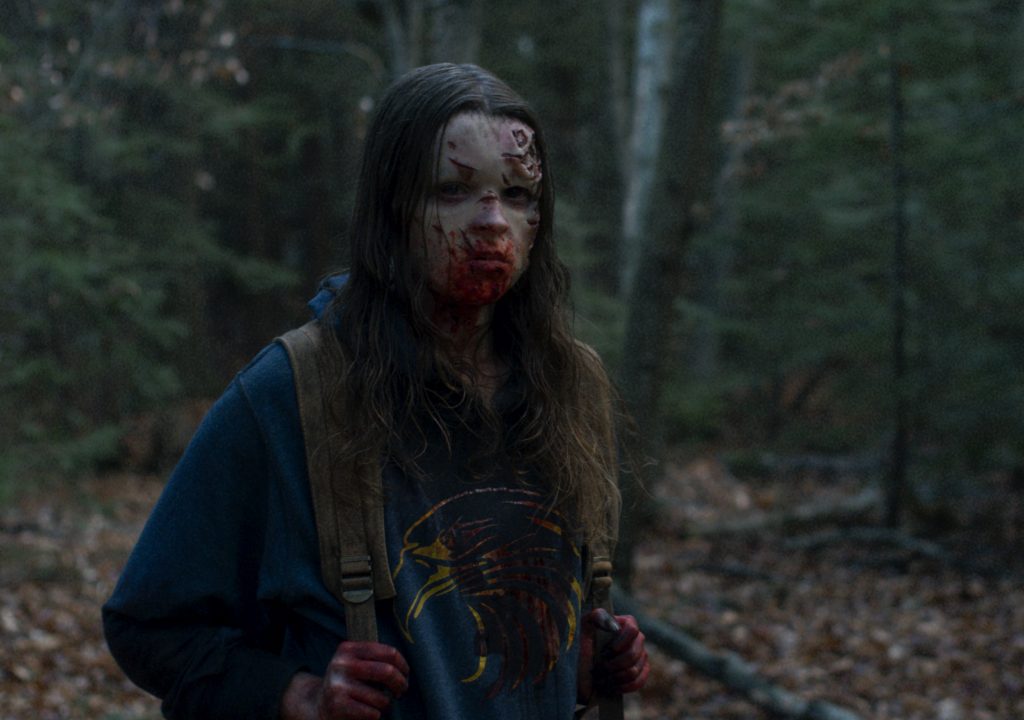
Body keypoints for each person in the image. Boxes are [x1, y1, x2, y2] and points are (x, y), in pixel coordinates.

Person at [103, 63, 650, 720]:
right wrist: (296, 693)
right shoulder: (292, 392)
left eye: (516, 194)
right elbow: (149, 625)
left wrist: (576, 662)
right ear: (393, 208)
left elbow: (515, 637)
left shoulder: (573, 387)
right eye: (452, 190)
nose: (492, 221)